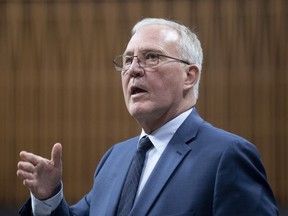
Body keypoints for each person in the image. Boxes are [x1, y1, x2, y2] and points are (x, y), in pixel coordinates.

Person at [17, 18, 278, 216]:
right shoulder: (115, 158)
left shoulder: (227, 156)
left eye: (151, 57)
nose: (133, 70)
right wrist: (49, 196)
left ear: (190, 76)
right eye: (128, 59)